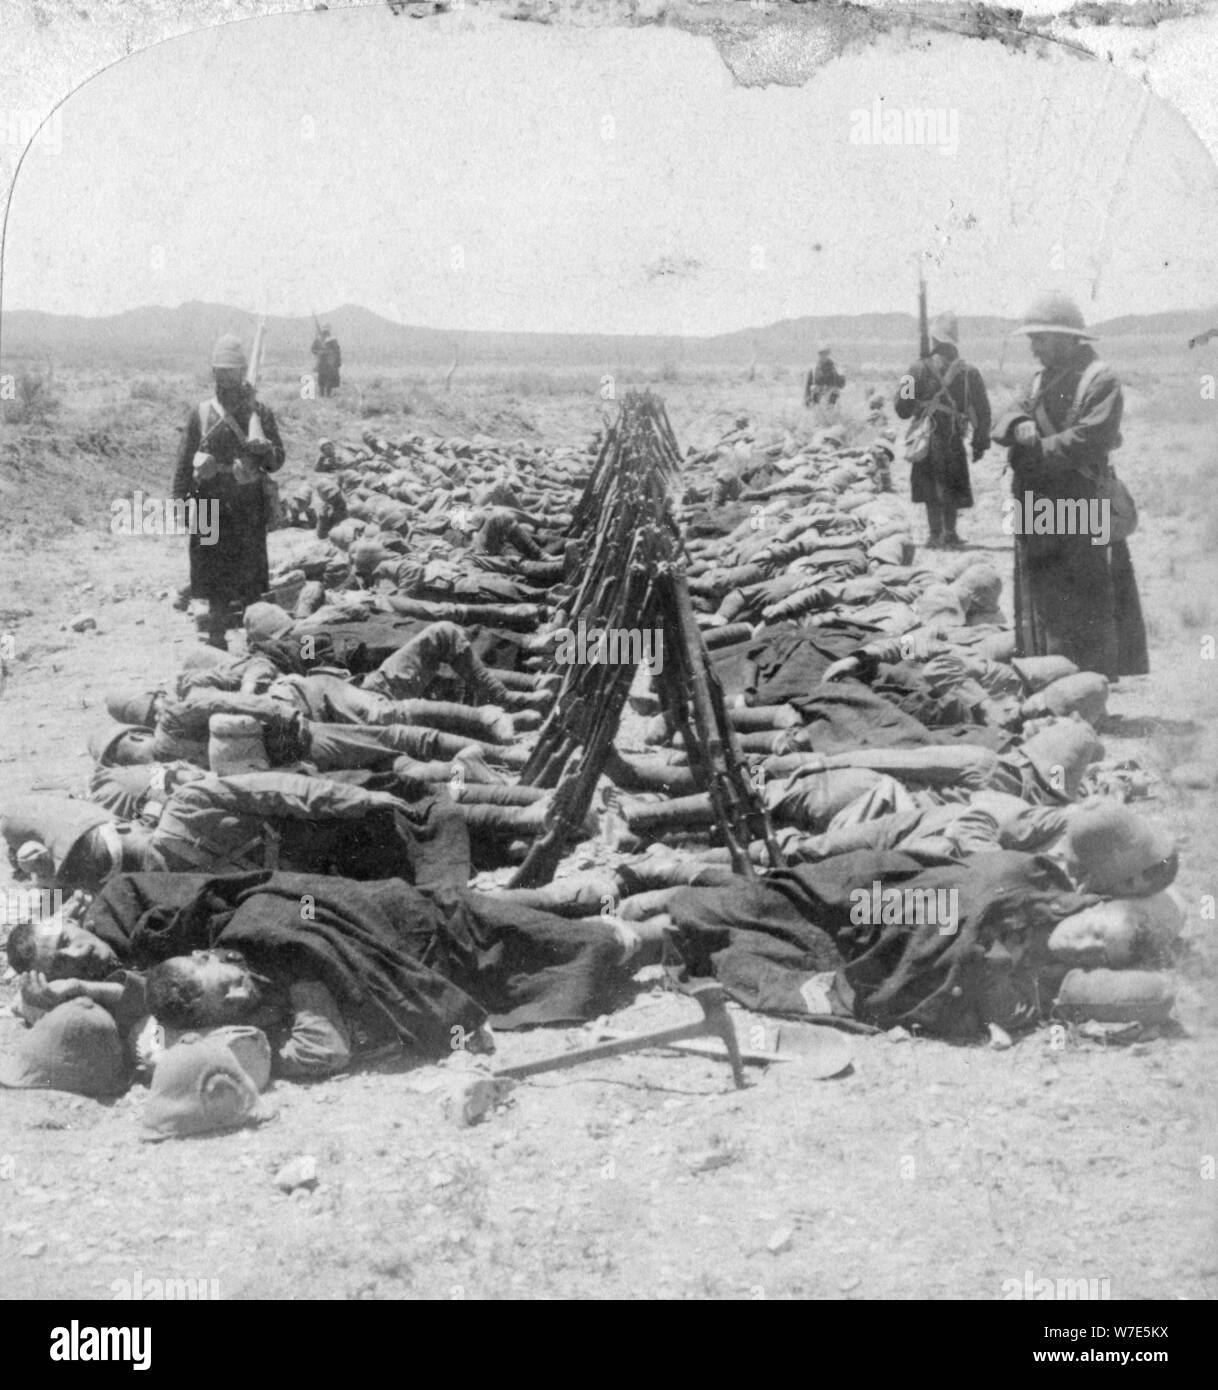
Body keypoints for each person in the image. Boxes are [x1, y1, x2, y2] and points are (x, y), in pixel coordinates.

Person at [995, 293, 1149, 679]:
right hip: (1038, 503)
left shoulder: (1101, 380)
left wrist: (1032, 452)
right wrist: (1016, 425)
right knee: (1042, 596)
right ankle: (1049, 682)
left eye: (1039, 340)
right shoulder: (1038, 381)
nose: (1033, 350)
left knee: (1088, 594)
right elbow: (1004, 417)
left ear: (1066, 338)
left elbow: (1090, 439)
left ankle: (1088, 688)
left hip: (1080, 502)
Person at [171, 334, 286, 649]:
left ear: (241, 372)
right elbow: (184, 462)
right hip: (208, 502)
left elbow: (277, 462)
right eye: (220, 371)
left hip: (246, 503)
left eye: (232, 371)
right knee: (210, 570)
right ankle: (216, 635)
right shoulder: (202, 412)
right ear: (213, 373)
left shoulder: (258, 412)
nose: (225, 377)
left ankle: (256, 640)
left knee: (249, 575)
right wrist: (180, 502)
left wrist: (263, 450)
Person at [893, 311, 991, 550]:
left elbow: (900, 407)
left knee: (929, 484)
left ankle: (935, 534)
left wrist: (918, 403)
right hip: (954, 436)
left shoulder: (915, 368)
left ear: (934, 340)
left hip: (928, 436)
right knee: (953, 481)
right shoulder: (970, 372)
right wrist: (980, 442)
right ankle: (950, 533)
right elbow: (984, 410)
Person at [311, 324, 342, 397]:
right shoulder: (323, 338)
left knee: (324, 380)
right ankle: (326, 396)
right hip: (327, 362)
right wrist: (320, 352)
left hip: (327, 362)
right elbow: (313, 349)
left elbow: (336, 351)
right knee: (325, 380)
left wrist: (321, 352)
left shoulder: (330, 339)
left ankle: (325, 396)